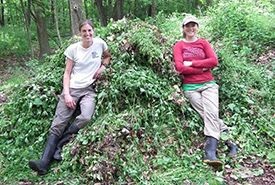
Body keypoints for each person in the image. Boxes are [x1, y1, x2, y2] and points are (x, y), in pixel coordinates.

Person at [29, 20, 111, 175]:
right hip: (73, 88)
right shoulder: (73, 49)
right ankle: (44, 163)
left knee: (86, 117)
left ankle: (61, 143)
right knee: (58, 123)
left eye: (90, 30)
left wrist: (103, 67)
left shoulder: (100, 44)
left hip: (89, 89)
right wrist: (66, 94)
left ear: (94, 31)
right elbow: (67, 73)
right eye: (84, 31)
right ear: (80, 33)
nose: (87, 34)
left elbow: (107, 57)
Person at [173, 15, 238, 167]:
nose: (190, 28)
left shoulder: (203, 43)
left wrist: (192, 64)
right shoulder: (179, 45)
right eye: (187, 26)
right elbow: (179, 67)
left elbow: (214, 61)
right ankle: (231, 143)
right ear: (183, 28)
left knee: (211, 113)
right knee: (210, 115)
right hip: (190, 88)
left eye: (193, 25)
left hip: (208, 85)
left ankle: (210, 152)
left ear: (197, 27)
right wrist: (203, 67)